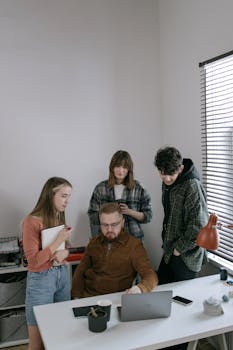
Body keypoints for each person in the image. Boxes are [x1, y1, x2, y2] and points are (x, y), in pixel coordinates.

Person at [22, 177, 73, 350]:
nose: (67, 201)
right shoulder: (31, 221)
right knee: (37, 344)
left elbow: (66, 249)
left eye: (69, 197)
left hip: (62, 276)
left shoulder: (59, 215)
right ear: (50, 195)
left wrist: (64, 251)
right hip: (41, 280)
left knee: (58, 337)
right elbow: (34, 261)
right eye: (64, 196)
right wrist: (59, 239)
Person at [72, 202, 158, 298]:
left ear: (122, 222)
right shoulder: (94, 242)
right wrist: (76, 297)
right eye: (104, 225)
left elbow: (151, 276)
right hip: (89, 296)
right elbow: (80, 271)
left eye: (114, 224)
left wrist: (140, 288)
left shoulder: (134, 246)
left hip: (116, 298)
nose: (109, 229)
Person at [154, 146, 209, 285]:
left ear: (180, 168)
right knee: (160, 290)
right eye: (162, 173)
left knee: (182, 301)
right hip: (170, 250)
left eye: (170, 174)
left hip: (186, 256)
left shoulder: (192, 186)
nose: (166, 178)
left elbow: (199, 226)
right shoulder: (168, 182)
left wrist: (179, 249)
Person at [88, 150, 152, 239]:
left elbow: (148, 216)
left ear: (129, 169)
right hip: (107, 238)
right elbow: (92, 216)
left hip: (133, 238)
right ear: (112, 167)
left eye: (125, 167)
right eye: (117, 166)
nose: (121, 171)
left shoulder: (139, 188)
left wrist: (130, 212)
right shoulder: (100, 188)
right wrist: (109, 214)